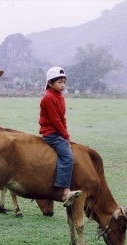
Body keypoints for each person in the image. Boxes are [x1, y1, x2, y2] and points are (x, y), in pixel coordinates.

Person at [39, 66, 82, 207]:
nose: (63, 85)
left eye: (64, 82)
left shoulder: (58, 96)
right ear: (50, 83)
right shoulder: (48, 98)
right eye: (59, 82)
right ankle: (65, 191)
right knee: (68, 157)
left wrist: (66, 134)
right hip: (51, 134)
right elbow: (55, 120)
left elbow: (62, 118)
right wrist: (65, 136)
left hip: (58, 132)